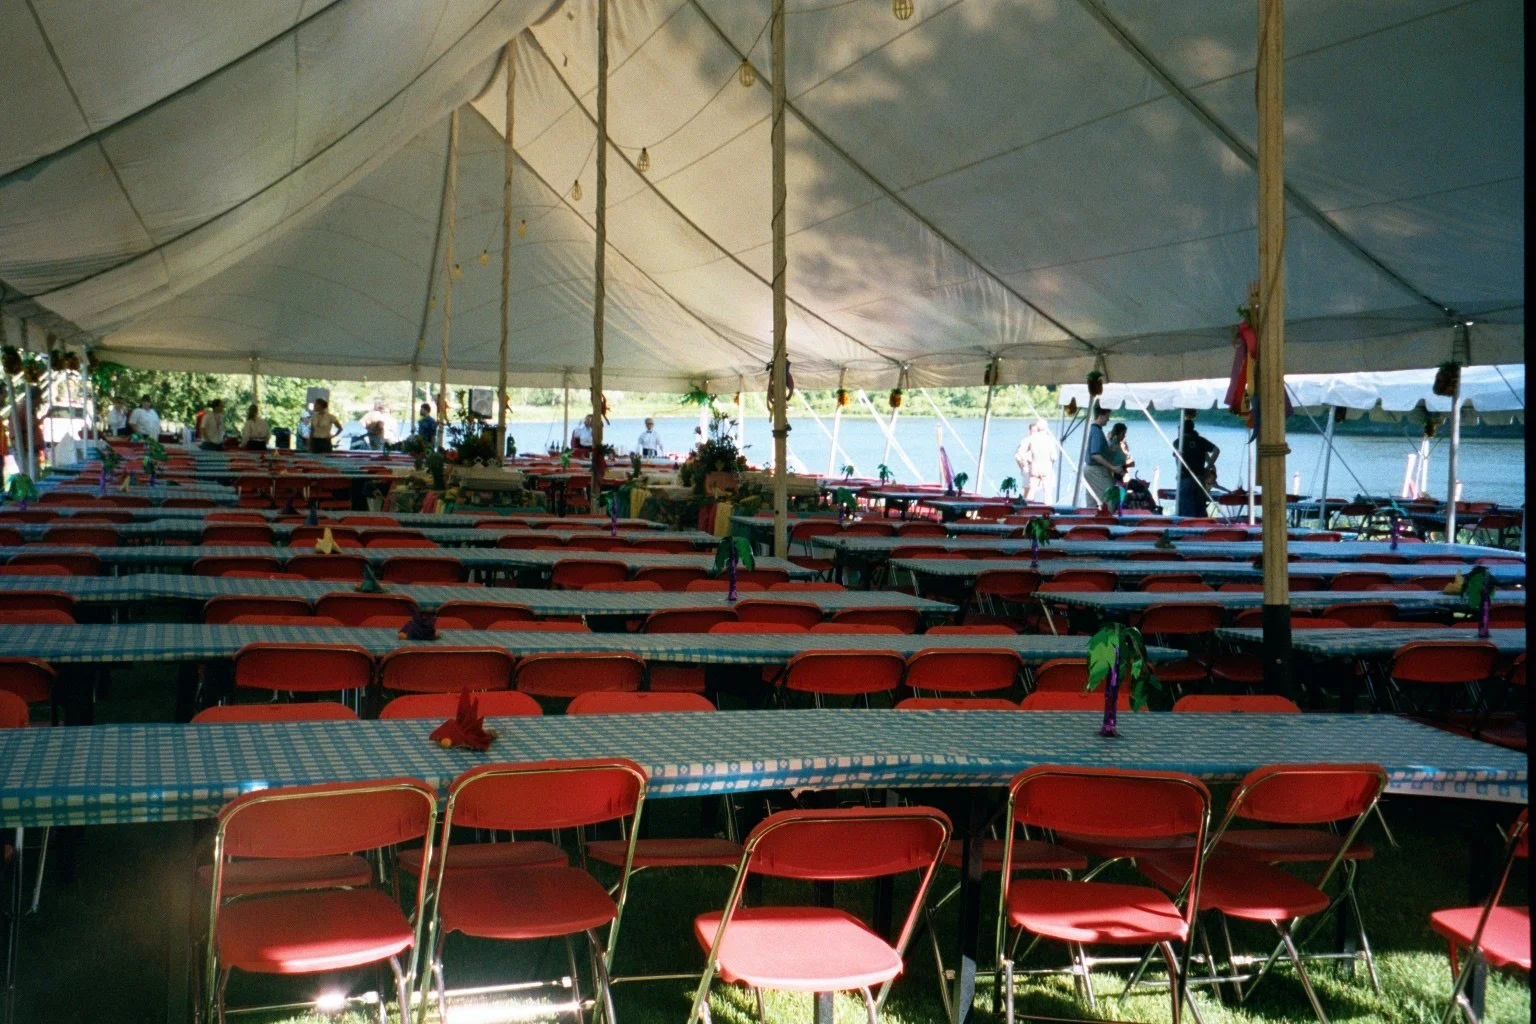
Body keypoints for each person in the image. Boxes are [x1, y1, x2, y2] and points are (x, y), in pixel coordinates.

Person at [1173, 409, 1219, 518]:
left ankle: (1188, 531)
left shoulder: (1178, 442)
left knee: (1186, 507)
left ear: (1182, 430)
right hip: (1200, 477)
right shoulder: (1201, 440)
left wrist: (1178, 472)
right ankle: (1202, 529)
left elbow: (1177, 459)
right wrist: (1208, 466)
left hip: (1186, 477)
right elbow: (1216, 450)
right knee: (1200, 506)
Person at [1014, 419, 1057, 502]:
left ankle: (1027, 510)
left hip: (1034, 466)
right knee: (1047, 492)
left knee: (1032, 490)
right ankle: (1047, 511)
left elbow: (1020, 453)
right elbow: (1054, 457)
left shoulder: (1032, 439)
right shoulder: (1049, 440)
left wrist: (1025, 463)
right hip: (1046, 467)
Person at [1082, 406, 1115, 503]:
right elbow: (1095, 455)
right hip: (1096, 470)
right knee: (1110, 498)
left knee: (1091, 501)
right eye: (1107, 416)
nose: (1108, 419)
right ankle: (1110, 517)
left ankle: (1090, 517)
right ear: (1101, 416)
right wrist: (1112, 467)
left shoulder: (1092, 429)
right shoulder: (1097, 432)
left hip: (1089, 469)